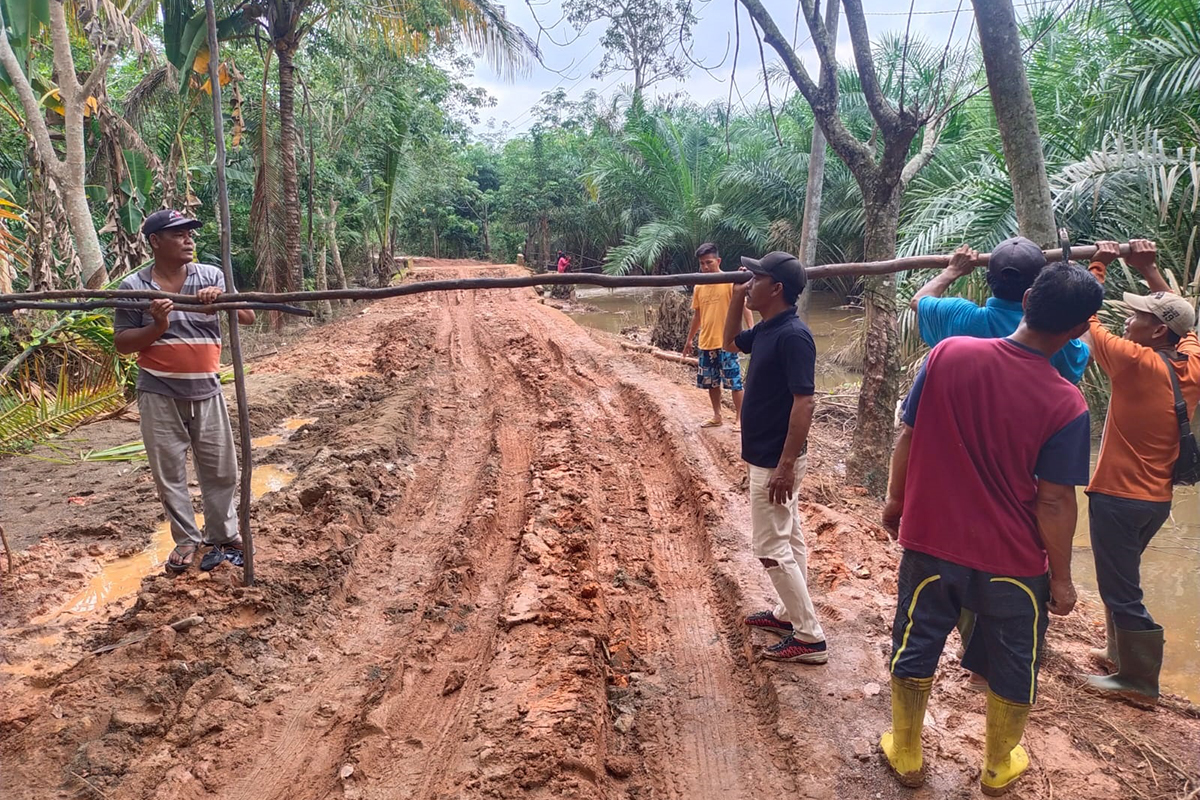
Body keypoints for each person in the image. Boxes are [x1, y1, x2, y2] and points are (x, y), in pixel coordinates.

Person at [879, 262, 1103, 795]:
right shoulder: (1067, 403)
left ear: (1026, 299)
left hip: (933, 543)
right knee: (1014, 658)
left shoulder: (947, 354)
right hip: (1013, 562)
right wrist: (1065, 580)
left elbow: (907, 436)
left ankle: (907, 752)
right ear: (1079, 330)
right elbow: (1053, 500)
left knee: (917, 639)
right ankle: (999, 763)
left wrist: (894, 501)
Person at [911, 237, 1092, 688]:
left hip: (951, 492)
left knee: (939, 593)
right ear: (1035, 291)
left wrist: (953, 270)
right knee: (1002, 581)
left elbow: (921, 300)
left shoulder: (956, 331)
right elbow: (1054, 500)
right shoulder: (1066, 356)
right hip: (1017, 487)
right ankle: (987, 670)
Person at [1081, 239, 1200, 701]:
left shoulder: (1133, 361)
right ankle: (1119, 657)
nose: (1126, 320)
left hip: (1118, 498)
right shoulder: (1191, 361)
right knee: (1121, 576)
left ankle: (1139, 681)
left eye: (1137, 317)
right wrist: (1150, 272)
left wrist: (1100, 265)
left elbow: (1083, 318)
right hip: (1155, 500)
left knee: (1120, 588)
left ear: (1154, 333)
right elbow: (1183, 319)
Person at [114, 210, 256, 573]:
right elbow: (124, 344)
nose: (188, 240)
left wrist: (222, 299)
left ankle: (223, 534)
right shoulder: (134, 288)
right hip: (158, 391)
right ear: (155, 242)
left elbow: (248, 317)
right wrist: (158, 324)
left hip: (207, 389)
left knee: (221, 468)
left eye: (190, 234)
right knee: (170, 473)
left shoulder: (211, 275)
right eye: (178, 234)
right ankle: (187, 539)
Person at [722, 251, 827, 664]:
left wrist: (785, 465)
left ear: (777, 288)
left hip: (775, 458)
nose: (750, 282)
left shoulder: (793, 336)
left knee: (769, 545)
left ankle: (810, 636)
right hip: (767, 454)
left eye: (757, 277)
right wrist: (735, 297)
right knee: (789, 535)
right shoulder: (768, 327)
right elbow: (730, 343)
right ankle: (789, 615)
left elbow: (805, 403)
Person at [911, 238, 1090, 383]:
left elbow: (918, 301)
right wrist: (1079, 288)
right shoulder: (1051, 336)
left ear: (989, 279)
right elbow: (1086, 353)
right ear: (1039, 285)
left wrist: (952, 270)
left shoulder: (960, 318)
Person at [682, 243, 753, 428]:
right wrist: (690, 339)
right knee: (711, 382)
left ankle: (740, 419)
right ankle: (717, 415)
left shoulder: (730, 281)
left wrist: (752, 331)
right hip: (706, 342)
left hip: (727, 342)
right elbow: (698, 315)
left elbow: (744, 306)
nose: (705, 267)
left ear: (718, 261)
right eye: (702, 264)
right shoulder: (699, 286)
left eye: (709, 262)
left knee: (734, 382)